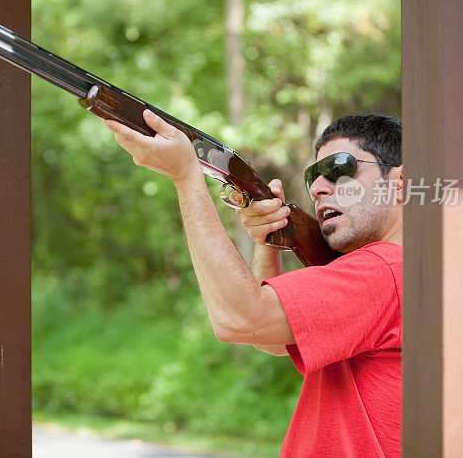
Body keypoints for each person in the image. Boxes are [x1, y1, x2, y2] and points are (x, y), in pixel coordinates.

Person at [104, 112, 403, 457]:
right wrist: (269, 241)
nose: (319, 188)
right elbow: (267, 336)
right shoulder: (403, 272)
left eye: (339, 168)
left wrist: (187, 176)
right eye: (314, 177)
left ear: (401, 180)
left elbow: (240, 319)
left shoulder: (384, 269)